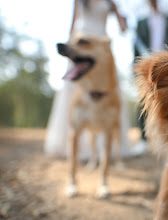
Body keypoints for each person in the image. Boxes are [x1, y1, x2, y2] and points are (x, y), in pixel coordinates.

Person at [45, 0, 145, 161]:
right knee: (75, 94)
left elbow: (123, 29)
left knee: (107, 92)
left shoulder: (111, 3)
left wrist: (123, 21)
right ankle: (74, 150)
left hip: (100, 46)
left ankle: (108, 151)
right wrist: (71, 49)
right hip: (80, 43)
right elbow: (72, 24)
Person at [134, 0, 168, 140]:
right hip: (147, 64)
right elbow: (135, 46)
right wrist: (136, 65)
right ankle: (144, 138)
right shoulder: (141, 22)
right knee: (144, 99)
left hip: (167, 66)